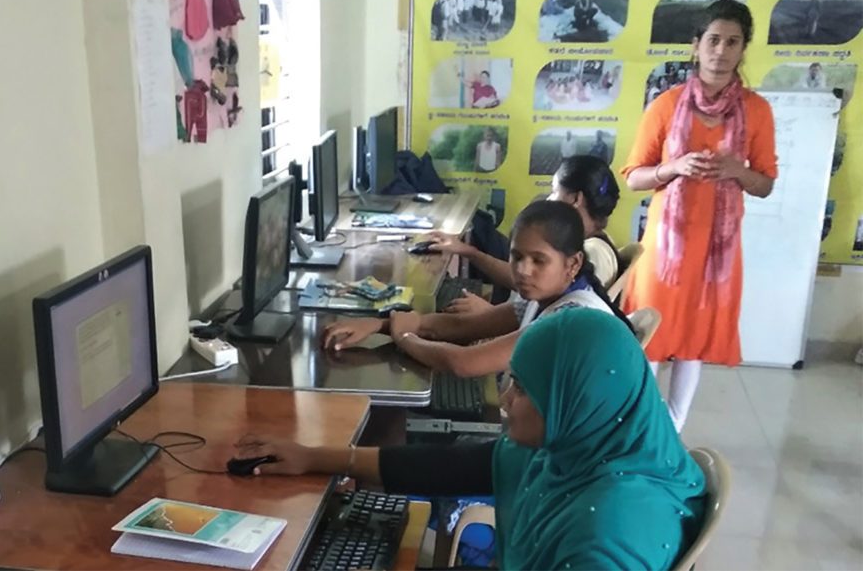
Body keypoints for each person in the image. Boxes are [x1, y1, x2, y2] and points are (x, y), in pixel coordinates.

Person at [235, 309, 707, 570]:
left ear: (575, 401)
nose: (503, 399)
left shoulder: (608, 534)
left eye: (522, 388)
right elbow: (457, 466)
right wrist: (318, 458)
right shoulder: (582, 449)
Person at [622, 0, 777, 432]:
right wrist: (673, 168)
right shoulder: (666, 105)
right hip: (665, 250)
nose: (721, 50)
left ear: (743, 49)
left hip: (716, 254)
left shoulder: (757, 111)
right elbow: (634, 177)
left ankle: (671, 432)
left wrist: (736, 170)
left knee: (693, 340)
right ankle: (636, 429)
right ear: (695, 46)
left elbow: (765, 183)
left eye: (732, 42)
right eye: (713, 40)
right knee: (649, 338)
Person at [320, 201, 629, 378]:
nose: (522, 270)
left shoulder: (570, 318)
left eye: (539, 260)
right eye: (517, 256)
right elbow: (463, 327)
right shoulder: (548, 296)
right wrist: (380, 324)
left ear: (573, 264)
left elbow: (463, 363)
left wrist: (404, 337)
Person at [426, 157, 623, 314]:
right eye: (518, 257)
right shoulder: (592, 242)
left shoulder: (594, 253)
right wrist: (469, 252)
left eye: (554, 191)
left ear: (575, 199)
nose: (549, 198)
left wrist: (488, 312)